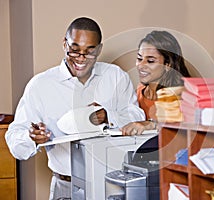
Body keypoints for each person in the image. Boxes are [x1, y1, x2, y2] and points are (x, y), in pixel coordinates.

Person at [5, 17, 145, 200]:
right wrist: (32, 137)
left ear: (99, 49)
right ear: (64, 44)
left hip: (112, 185)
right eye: (74, 50)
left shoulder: (115, 76)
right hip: (66, 187)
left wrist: (108, 116)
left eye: (89, 52)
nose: (81, 59)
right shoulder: (40, 86)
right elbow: (15, 142)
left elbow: (137, 117)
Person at [121, 30, 191, 135]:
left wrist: (150, 124)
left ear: (168, 65)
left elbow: (180, 126)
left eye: (150, 61)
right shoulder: (140, 91)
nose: (141, 65)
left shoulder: (181, 94)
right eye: (139, 58)